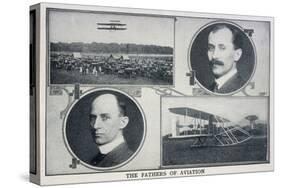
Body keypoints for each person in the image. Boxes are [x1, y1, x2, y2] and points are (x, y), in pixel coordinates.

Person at [89, 93, 133, 167]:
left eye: (105, 118)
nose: (96, 126)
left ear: (122, 122)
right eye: (93, 118)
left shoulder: (126, 160)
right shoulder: (95, 159)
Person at [207, 24, 246, 94]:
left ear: (237, 54)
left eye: (222, 48)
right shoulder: (209, 89)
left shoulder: (242, 87)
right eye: (211, 48)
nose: (214, 56)